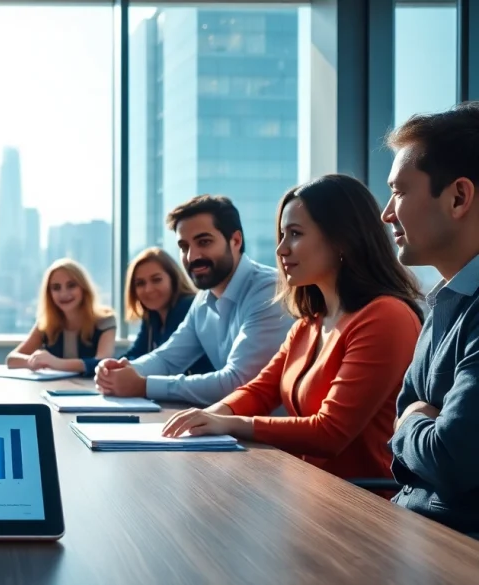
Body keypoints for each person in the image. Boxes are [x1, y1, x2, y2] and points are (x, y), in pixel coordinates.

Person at [161, 175, 423, 483]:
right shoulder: (309, 323)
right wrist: (207, 418)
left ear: (342, 238)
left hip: (364, 502)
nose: (282, 250)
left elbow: (329, 432)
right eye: (282, 236)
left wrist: (228, 424)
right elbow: (260, 391)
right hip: (307, 488)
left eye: (295, 234)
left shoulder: (385, 317)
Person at [382, 102, 479, 536]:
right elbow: (407, 413)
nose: (387, 214)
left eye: (399, 192)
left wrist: (412, 423)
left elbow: (451, 458)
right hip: (410, 527)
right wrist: (420, 419)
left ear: (458, 197)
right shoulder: (446, 301)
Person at [95, 195, 291, 405]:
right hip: (230, 428)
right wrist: (120, 371)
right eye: (184, 247)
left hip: (271, 435)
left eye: (203, 242)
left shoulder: (269, 290)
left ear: (235, 241)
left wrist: (142, 385)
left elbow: (239, 383)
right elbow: (167, 358)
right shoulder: (203, 300)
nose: (191, 257)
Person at [6, 259, 117, 376]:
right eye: (56, 288)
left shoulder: (106, 320)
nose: (64, 294)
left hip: (93, 390)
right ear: (49, 294)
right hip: (53, 389)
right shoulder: (46, 323)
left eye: (71, 285)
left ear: (83, 288)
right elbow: (11, 359)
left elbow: (102, 362)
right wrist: (33, 362)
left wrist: (56, 363)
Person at [120, 247, 212, 375]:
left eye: (156, 280)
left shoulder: (187, 307)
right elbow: (135, 355)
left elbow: (165, 362)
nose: (148, 289)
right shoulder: (152, 316)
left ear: (173, 279)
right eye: (140, 283)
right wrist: (104, 367)